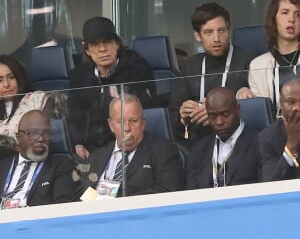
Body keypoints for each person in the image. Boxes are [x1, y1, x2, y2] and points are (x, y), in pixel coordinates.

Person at [68, 16, 156, 159]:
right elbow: (74, 113)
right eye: (95, 44)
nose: (102, 49)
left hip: (131, 143)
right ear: (87, 50)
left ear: (117, 44)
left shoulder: (137, 67)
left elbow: (146, 109)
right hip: (93, 148)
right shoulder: (79, 75)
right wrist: (78, 143)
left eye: (107, 42)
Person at [169, 2, 255, 148]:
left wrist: (216, 113)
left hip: (239, 142)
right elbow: (173, 114)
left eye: (221, 30)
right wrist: (183, 117)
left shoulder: (248, 60)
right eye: (208, 32)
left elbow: (258, 112)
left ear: (229, 31)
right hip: (199, 143)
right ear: (197, 35)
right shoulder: (191, 65)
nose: (216, 38)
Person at [78, 94, 184, 197]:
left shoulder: (162, 151)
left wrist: (117, 204)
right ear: (111, 125)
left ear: (143, 124)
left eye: (133, 121)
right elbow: (82, 195)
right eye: (121, 122)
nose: (127, 128)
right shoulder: (97, 156)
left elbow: (167, 193)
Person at [0, 110, 79, 209]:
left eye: (46, 133)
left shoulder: (63, 166)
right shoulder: (3, 166)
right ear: (18, 137)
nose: (41, 138)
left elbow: (62, 205)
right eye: (33, 133)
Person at [186, 87, 260, 189]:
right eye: (212, 117)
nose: (219, 122)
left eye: (226, 115)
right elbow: (191, 192)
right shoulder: (199, 149)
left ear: (237, 110)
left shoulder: (260, 142)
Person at [248, 0, 300, 113]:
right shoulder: (257, 65)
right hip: (274, 129)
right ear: (273, 18)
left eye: (298, 15)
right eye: (285, 13)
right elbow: (261, 114)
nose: (291, 19)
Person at [0, 55, 48, 159]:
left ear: (19, 78)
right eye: (0, 80)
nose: (6, 84)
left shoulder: (36, 99)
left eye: (11, 77)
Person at [260, 78, 300, 182]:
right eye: (291, 102)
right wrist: (290, 146)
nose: (297, 108)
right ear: (281, 104)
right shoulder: (268, 137)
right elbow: (271, 183)